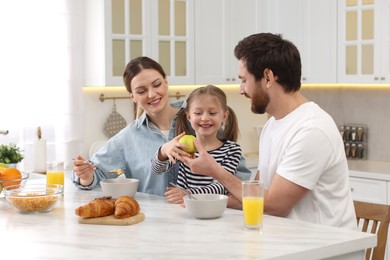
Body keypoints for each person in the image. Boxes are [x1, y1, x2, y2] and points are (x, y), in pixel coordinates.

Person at [177, 33, 357, 229]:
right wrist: (202, 200)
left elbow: (273, 206)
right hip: (286, 241)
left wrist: (214, 171)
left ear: (268, 78)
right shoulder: (272, 125)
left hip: (327, 249)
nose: (241, 89)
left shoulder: (312, 130)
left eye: (244, 80)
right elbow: (255, 196)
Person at [72, 56, 251, 206]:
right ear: (132, 96)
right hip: (154, 225)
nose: (151, 94)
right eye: (141, 91)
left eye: (156, 84)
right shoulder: (127, 138)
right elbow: (95, 174)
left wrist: (193, 197)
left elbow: (239, 180)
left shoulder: (199, 120)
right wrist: (85, 176)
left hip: (204, 217)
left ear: (166, 82)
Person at [151, 85, 242, 204]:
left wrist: (188, 194)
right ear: (189, 116)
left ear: (224, 116)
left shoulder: (232, 150)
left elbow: (222, 186)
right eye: (198, 113)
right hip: (183, 210)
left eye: (212, 113)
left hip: (213, 212)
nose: (204, 118)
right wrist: (163, 151)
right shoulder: (183, 147)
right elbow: (157, 169)